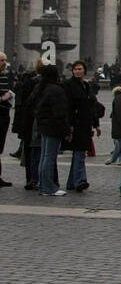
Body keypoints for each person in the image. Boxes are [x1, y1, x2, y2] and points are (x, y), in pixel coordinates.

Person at [61, 60, 101, 192]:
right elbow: (67, 107)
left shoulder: (86, 85)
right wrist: (69, 125)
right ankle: (80, 181)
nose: (78, 71)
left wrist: (96, 124)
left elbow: (91, 106)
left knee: (79, 153)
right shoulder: (68, 85)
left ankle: (72, 183)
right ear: (72, 71)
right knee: (79, 153)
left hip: (85, 124)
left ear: (84, 70)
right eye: (75, 69)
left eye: (80, 69)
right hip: (75, 124)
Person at [33, 64, 70, 197]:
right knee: (49, 157)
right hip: (53, 127)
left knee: (44, 156)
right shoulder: (56, 90)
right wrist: (66, 130)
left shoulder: (40, 88)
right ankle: (48, 188)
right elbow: (60, 113)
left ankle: (43, 185)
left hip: (43, 126)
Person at [0, 52, 12, 188]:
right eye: (2, 60)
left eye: (5, 60)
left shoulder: (5, 76)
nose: (4, 63)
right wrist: (3, 98)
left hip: (4, 115)